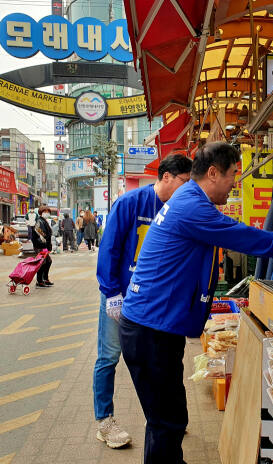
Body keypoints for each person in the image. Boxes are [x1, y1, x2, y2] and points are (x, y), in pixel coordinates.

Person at [118, 142, 273, 463]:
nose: (236, 182)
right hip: (149, 330)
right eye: (233, 174)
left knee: (168, 417)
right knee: (166, 421)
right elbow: (241, 235)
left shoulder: (186, 197)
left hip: (152, 326)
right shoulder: (193, 206)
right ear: (212, 172)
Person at [94, 154, 192, 449]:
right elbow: (109, 249)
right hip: (120, 295)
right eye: (184, 182)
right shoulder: (130, 203)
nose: (187, 189)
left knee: (158, 361)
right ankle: (105, 420)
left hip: (153, 301)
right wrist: (111, 293)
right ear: (165, 177)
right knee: (109, 356)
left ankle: (162, 418)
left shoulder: (180, 208)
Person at [31, 206, 54, 288]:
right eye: (45, 211)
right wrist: (44, 245)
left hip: (43, 246)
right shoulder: (39, 221)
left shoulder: (44, 221)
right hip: (40, 246)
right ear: (41, 212)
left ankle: (45, 279)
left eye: (48, 212)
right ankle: (39, 281)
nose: (47, 213)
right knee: (42, 263)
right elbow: (40, 235)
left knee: (48, 262)